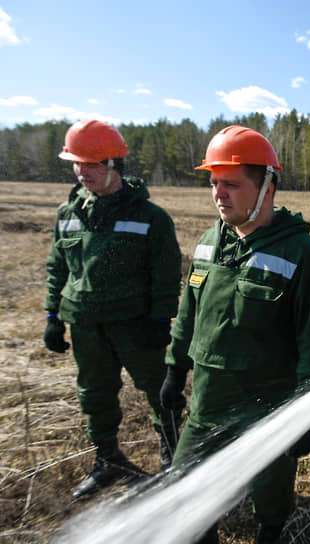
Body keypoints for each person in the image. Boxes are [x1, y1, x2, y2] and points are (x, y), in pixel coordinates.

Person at [160, 125, 310, 544]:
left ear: (267, 186)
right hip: (207, 401)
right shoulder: (208, 243)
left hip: (267, 407)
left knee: (270, 493)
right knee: (186, 492)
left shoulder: (302, 255)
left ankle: (269, 531)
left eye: (232, 185)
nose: (219, 194)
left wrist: (308, 412)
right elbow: (189, 311)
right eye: (214, 183)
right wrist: (174, 367)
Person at [43, 119, 183, 498]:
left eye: (91, 164)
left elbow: (166, 274)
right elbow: (58, 266)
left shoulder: (150, 217)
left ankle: (172, 462)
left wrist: (160, 320)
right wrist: (52, 317)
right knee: (94, 393)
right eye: (76, 163)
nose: (82, 172)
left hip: (135, 326)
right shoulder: (67, 213)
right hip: (85, 324)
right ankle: (107, 460)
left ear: (113, 165)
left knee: (160, 393)